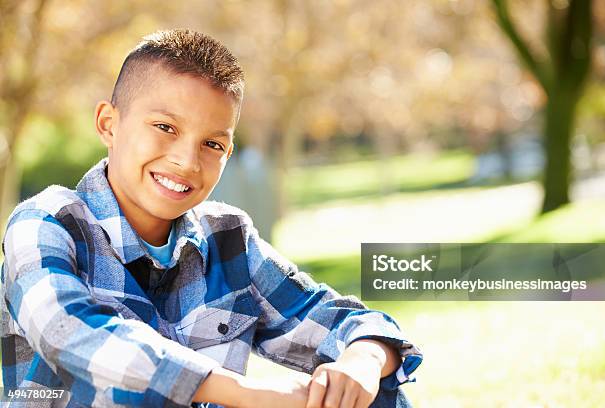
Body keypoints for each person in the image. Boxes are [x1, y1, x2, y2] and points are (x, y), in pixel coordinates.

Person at [0, 29, 422, 408]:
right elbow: (62, 327)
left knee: (367, 390)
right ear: (108, 124)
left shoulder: (227, 236)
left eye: (212, 144)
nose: (186, 160)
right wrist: (239, 392)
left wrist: (364, 359)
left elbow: (336, 319)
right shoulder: (46, 221)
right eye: (165, 127)